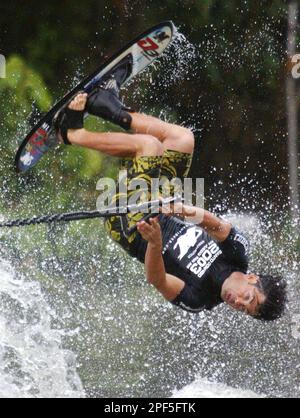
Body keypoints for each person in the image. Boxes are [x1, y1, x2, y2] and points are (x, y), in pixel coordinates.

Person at [55, 61, 287, 321]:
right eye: (249, 298)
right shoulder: (237, 253)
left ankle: (72, 133)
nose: (238, 303)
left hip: (131, 227)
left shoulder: (201, 299)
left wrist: (155, 243)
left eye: (245, 309)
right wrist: (181, 210)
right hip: (159, 205)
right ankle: (104, 103)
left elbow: (158, 280)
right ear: (252, 279)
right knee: (182, 139)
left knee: (149, 147)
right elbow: (214, 224)